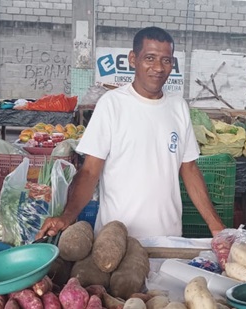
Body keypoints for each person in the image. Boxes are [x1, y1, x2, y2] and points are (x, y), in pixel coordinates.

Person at [36, 26, 225, 239]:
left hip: (168, 239)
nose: (158, 67)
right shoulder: (112, 104)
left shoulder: (178, 106)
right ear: (133, 59)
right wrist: (67, 216)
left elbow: (189, 168)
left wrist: (216, 226)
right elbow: (89, 172)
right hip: (115, 241)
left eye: (166, 60)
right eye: (150, 58)